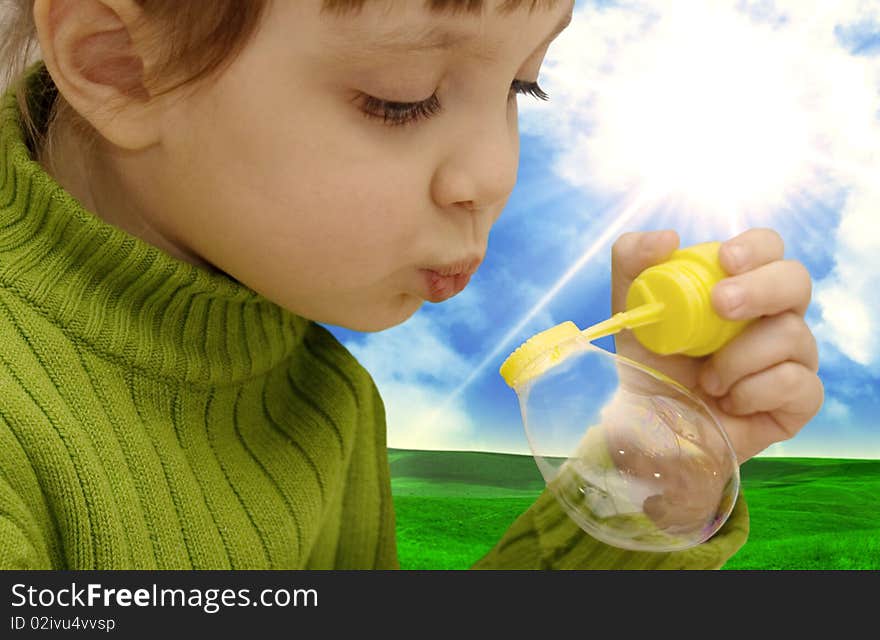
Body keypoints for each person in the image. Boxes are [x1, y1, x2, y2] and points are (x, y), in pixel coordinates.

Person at [0, 0, 822, 570]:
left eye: (521, 85)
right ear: (117, 66)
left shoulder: (328, 398)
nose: (494, 173)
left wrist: (662, 466)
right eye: (404, 99)